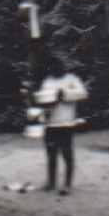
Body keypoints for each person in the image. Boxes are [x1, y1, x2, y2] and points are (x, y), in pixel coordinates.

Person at [34, 53, 88, 195]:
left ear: (63, 67)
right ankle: (51, 182)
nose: (55, 70)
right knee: (51, 154)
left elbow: (83, 93)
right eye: (52, 68)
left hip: (66, 122)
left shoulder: (71, 80)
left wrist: (64, 93)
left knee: (67, 154)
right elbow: (42, 98)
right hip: (50, 122)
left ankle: (67, 184)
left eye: (58, 67)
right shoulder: (48, 81)